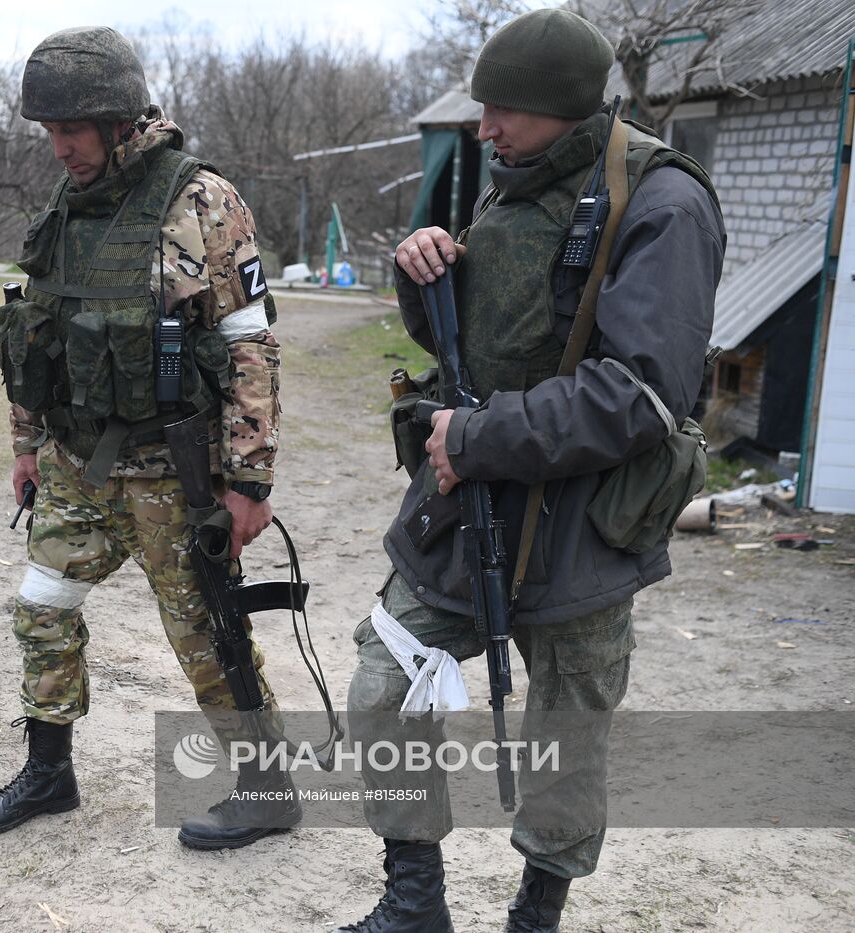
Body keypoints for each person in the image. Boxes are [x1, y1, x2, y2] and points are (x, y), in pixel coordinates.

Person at [337, 10, 725, 933]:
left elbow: (639, 393)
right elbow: (492, 346)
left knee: (567, 732)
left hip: (586, 524)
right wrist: (425, 276)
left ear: (560, 107)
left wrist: (475, 437)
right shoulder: (515, 181)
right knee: (383, 690)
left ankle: (536, 912)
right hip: (473, 505)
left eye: (503, 109)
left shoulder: (664, 204)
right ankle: (414, 901)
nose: (485, 129)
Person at [0, 25, 293, 850]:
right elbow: (34, 334)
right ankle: (49, 771)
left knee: (205, 630)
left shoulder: (202, 201)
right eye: (48, 131)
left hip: (173, 469)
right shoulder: (68, 208)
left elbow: (251, 343)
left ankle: (267, 786)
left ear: (116, 119)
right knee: (42, 605)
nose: (58, 148)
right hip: (78, 462)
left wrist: (249, 480)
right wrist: (25, 443)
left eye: (71, 130)